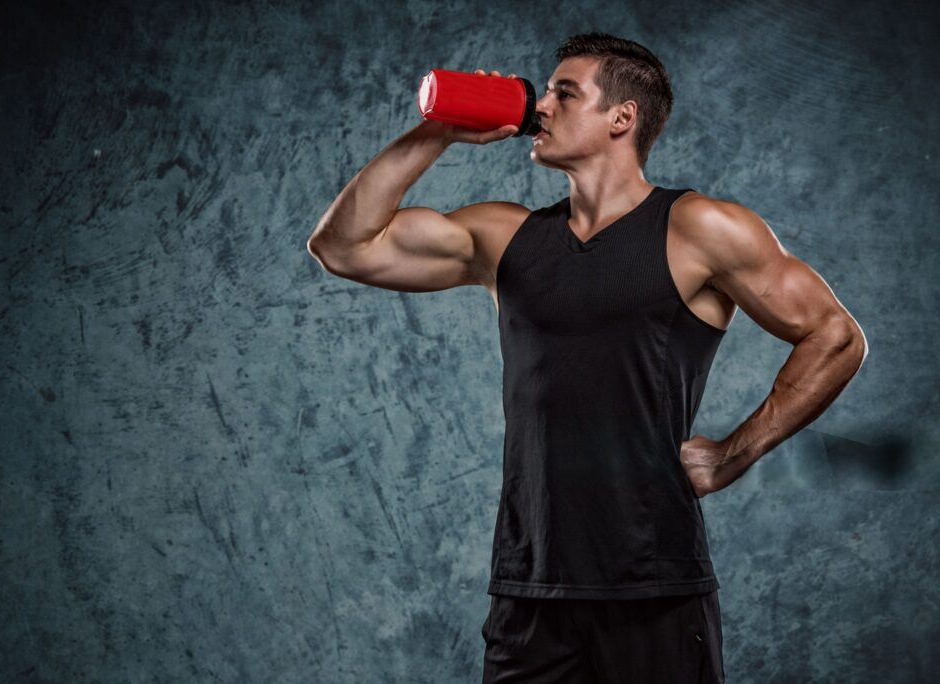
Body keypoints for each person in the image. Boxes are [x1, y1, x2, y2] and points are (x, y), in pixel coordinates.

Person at [307, 32, 868, 684]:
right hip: (531, 588)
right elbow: (344, 246)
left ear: (621, 118)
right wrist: (439, 131)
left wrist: (734, 453)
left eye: (563, 93)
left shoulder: (700, 229)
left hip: (653, 587)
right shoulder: (504, 237)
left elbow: (835, 336)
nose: (539, 106)